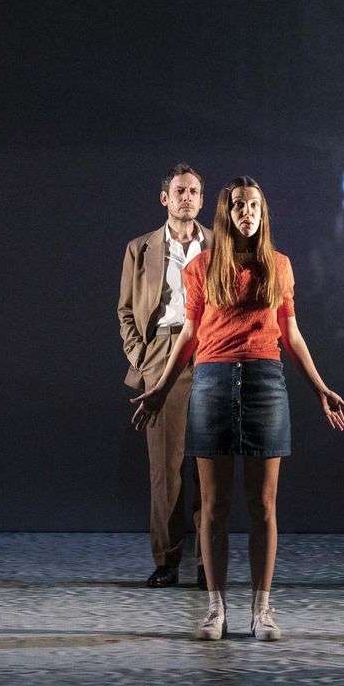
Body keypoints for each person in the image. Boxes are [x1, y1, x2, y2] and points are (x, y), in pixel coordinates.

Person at [131, 176, 344, 640]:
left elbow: (291, 334)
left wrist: (320, 388)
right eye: (237, 206)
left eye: (253, 205)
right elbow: (189, 334)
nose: (246, 212)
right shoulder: (202, 267)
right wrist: (162, 388)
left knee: (263, 505)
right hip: (211, 382)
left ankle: (262, 610)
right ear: (226, 214)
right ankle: (215, 610)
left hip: (265, 383)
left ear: (262, 213)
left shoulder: (280, 266)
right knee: (214, 506)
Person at [117, 164, 208, 587]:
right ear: (165, 198)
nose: (186, 197)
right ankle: (167, 562)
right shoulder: (140, 248)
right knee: (165, 469)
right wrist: (142, 357)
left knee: (209, 466)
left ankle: (208, 563)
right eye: (179, 191)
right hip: (161, 353)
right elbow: (125, 311)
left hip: (209, 353)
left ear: (201, 200)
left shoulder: (219, 244)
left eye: (193, 191)